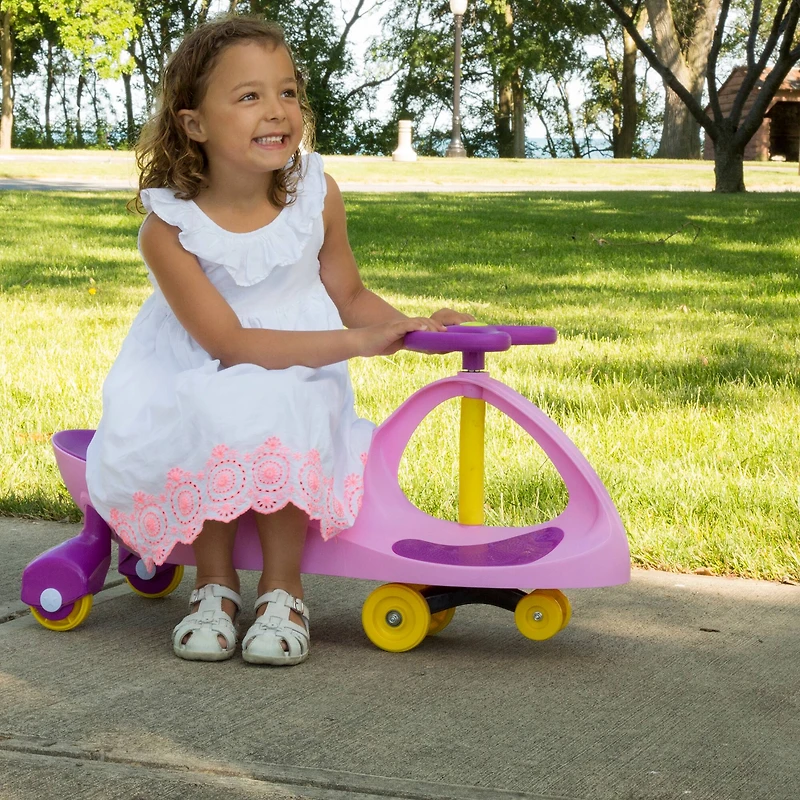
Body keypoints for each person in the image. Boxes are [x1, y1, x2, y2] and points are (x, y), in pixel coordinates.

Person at [85, 14, 472, 667]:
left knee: (286, 400)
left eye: (287, 92)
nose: (277, 111)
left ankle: (284, 591)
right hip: (194, 361)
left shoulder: (316, 196)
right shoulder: (170, 229)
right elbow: (230, 344)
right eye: (249, 96)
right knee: (216, 402)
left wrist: (405, 325)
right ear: (194, 124)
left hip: (300, 360)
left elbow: (349, 295)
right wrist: (357, 342)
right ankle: (213, 587)